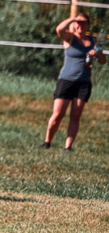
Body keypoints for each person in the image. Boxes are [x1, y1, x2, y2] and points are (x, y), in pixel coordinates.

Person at [42, 13, 105, 150]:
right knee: (58, 114)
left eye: (83, 23)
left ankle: (68, 147)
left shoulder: (94, 41)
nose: (79, 25)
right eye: (78, 22)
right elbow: (59, 29)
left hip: (83, 82)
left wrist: (97, 54)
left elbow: (102, 61)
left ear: (88, 24)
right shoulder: (70, 37)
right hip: (66, 80)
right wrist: (73, 18)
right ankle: (47, 142)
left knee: (75, 115)